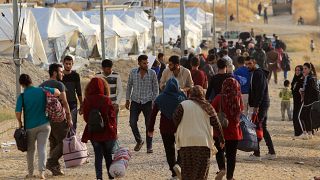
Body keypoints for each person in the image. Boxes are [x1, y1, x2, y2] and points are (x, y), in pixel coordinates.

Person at [173, 86, 225, 180]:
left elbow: (175, 119)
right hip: (203, 144)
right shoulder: (207, 106)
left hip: (186, 143)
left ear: (190, 94)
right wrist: (221, 139)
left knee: (187, 173)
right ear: (202, 94)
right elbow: (217, 124)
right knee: (201, 174)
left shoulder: (183, 105)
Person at [16, 74, 60, 179]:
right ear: (31, 81)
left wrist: (20, 123)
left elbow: (18, 112)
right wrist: (49, 89)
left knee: (31, 150)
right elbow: (57, 92)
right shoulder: (42, 90)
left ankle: (31, 173)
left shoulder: (22, 96)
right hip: (45, 125)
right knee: (42, 148)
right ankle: (41, 173)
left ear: (21, 84)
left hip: (30, 127)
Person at [148, 78, 187, 180]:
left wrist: (150, 128)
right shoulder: (182, 97)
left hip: (165, 129)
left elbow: (153, 114)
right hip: (180, 128)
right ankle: (178, 165)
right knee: (181, 149)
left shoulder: (160, 98)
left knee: (169, 151)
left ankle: (174, 174)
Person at [81, 77, 117, 180]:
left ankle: (99, 177)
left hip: (94, 133)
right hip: (107, 133)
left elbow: (86, 117)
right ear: (103, 86)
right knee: (108, 156)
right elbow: (112, 117)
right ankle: (111, 177)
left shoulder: (87, 100)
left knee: (98, 156)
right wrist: (114, 131)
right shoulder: (106, 99)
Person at [40, 63, 72, 176]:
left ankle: (55, 169)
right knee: (65, 142)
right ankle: (51, 162)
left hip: (45, 119)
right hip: (58, 120)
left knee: (54, 143)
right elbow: (64, 102)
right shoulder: (59, 84)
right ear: (54, 73)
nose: (62, 73)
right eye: (60, 72)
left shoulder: (42, 85)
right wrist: (69, 118)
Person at [125, 55, 159, 153]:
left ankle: (149, 146)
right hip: (135, 101)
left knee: (149, 125)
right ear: (139, 63)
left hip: (148, 102)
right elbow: (129, 86)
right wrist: (127, 100)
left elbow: (156, 89)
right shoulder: (133, 72)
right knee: (132, 122)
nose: (146, 65)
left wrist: (154, 101)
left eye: (147, 63)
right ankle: (139, 140)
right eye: (144, 63)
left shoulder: (152, 73)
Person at [244, 57, 276, 161]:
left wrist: (256, 106)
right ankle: (271, 152)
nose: (247, 66)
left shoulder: (258, 74)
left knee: (257, 127)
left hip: (262, 105)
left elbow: (260, 91)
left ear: (254, 63)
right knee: (263, 127)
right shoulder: (255, 73)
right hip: (261, 104)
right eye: (246, 64)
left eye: (249, 64)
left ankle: (257, 154)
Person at [212, 78, 243, 180]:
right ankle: (230, 177)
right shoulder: (238, 98)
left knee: (219, 151)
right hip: (234, 131)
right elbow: (241, 111)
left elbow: (211, 111)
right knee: (231, 156)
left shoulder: (219, 98)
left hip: (220, 131)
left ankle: (222, 168)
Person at [96, 59, 123, 152]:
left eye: (110, 69)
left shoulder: (116, 76)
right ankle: (104, 145)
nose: (108, 71)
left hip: (113, 105)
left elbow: (120, 91)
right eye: (106, 69)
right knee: (102, 125)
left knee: (113, 126)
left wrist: (117, 103)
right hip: (102, 106)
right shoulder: (98, 76)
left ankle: (113, 147)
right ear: (103, 68)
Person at [298, 62, 319, 140]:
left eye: (305, 68)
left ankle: (304, 133)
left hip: (308, 101)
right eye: (303, 69)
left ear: (309, 69)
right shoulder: (312, 77)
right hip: (311, 101)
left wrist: (302, 90)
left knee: (300, 117)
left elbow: (309, 89)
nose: (303, 70)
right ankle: (310, 134)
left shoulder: (309, 78)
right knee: (307, 116)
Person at [62, 55, 83, 131]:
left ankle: (72, 141)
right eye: (66, 63)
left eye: (69, 64)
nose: (68, 65)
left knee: (73, 124)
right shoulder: (60, 75)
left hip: (72, 103)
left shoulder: (75, 75)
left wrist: (81, 104)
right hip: (62, 103)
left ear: (72, 64)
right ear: (63, 63)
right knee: (63, 125)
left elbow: (79, 91)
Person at [291, 65, 304, 137]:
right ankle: (297, 133)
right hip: (295, 101)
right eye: (296, 70)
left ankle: (302, 132)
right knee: (294, 117)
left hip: (300, 101)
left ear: (301, 71)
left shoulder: (302, 79)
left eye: (299, 70)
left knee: (297, 117)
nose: (297, 71)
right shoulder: (295, 79)